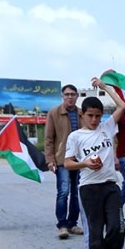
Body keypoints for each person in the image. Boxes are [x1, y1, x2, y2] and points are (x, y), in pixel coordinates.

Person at [63, 78, 125, 249]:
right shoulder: (76, 137)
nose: (94, 120)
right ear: (82, 115)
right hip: (89, 188)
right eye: (90, 116)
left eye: (98, 116)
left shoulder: (107, 127)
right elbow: (67, 163)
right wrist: (85, 163)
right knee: (96, 231)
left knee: (117, 228)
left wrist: (104, 87)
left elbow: (122, 106)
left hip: (110, 184)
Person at [45, 84, 84, 239]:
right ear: (62, 96)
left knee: (76, 193)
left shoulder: (82, 113)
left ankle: (72, 223)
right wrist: (50, 159)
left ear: (77, 96)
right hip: (62, 160)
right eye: (67, 94)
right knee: (63, 192)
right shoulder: (54, 113)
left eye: (73, 94)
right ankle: (62, 225)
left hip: (79, 160)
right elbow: (49, 139)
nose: (70, 97)